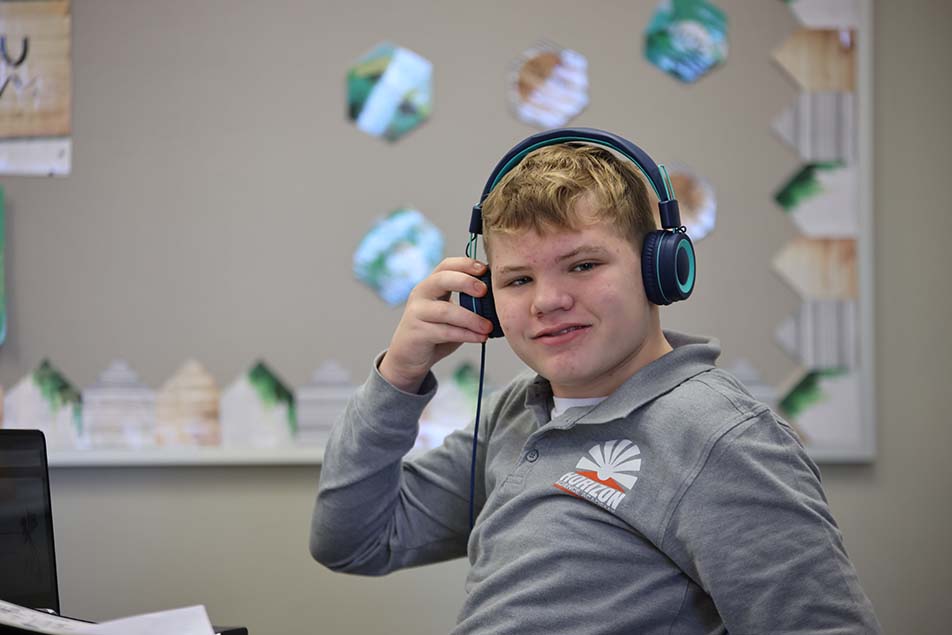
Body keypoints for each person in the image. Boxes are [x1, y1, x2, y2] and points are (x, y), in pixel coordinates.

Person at [310, 133, 881, 634]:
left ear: (661, 269)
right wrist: (399, 376)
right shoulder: (521, 411)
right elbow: (354, 540)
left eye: (583, 265)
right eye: (517, 278)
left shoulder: (721, 438)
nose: (548, 300)